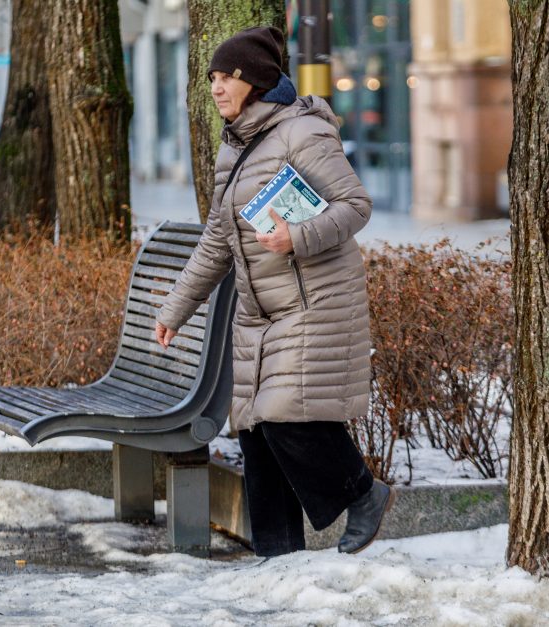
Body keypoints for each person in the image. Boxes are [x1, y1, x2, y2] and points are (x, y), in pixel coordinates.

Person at [154, 26, 393, 558]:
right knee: (256, 431)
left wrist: (296, 236)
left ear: (257, 81)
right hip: (261, 314)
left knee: (285, 414)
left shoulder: (302, 134)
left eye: (226, 78)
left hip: (314, 304)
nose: (215, 88)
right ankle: (277, 556)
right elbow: (218, 239)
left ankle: (365, 496)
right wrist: (176, 308)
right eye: (212, 78)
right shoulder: (233, 145)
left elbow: (355, 205)